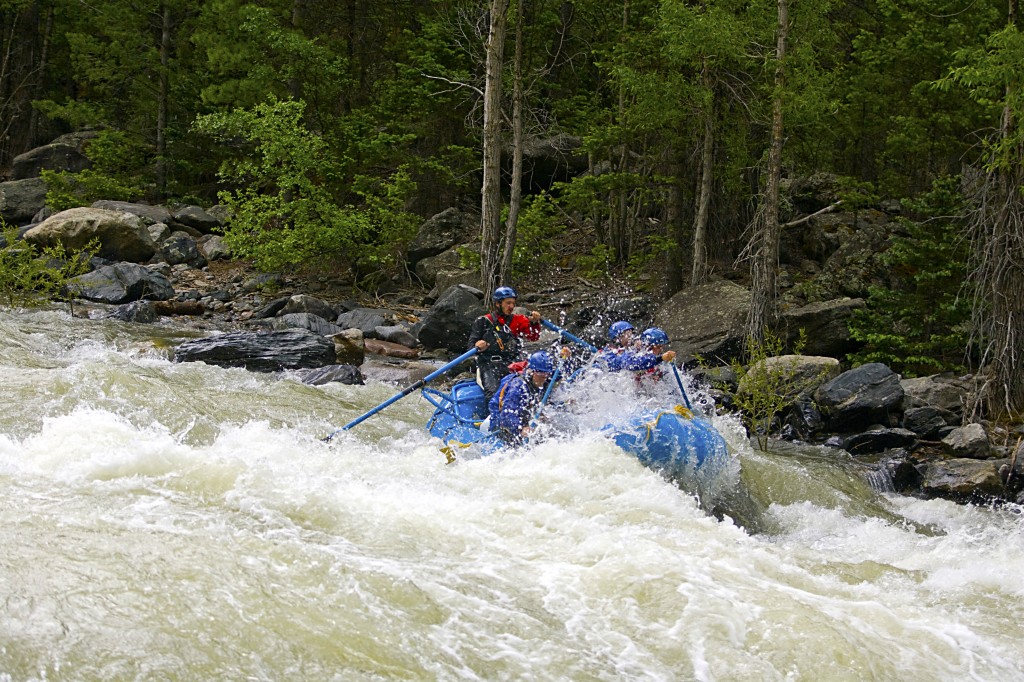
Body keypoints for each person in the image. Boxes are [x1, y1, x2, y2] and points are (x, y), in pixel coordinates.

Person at [468, 286, 542, 400]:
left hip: (512, 362)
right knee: (494, 394)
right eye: (508, 303)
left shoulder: (519, 320)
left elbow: (533, 337)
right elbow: (470, 347)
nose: (511, 306)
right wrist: (478, 346)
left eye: (513, 303)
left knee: (531, 387)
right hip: (489, 365)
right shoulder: (483, 321)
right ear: (498, 304)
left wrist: (534, 323)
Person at [488, 351, 555, 446]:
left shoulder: (539, 379)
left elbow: (559, 374)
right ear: (532, 372)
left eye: (547, 374)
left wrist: (565, 359)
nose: (544, 378)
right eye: (541, 375)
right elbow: (507, 414)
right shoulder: (518, 387)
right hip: (502, 424)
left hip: (522, 417)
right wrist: (521, 429)